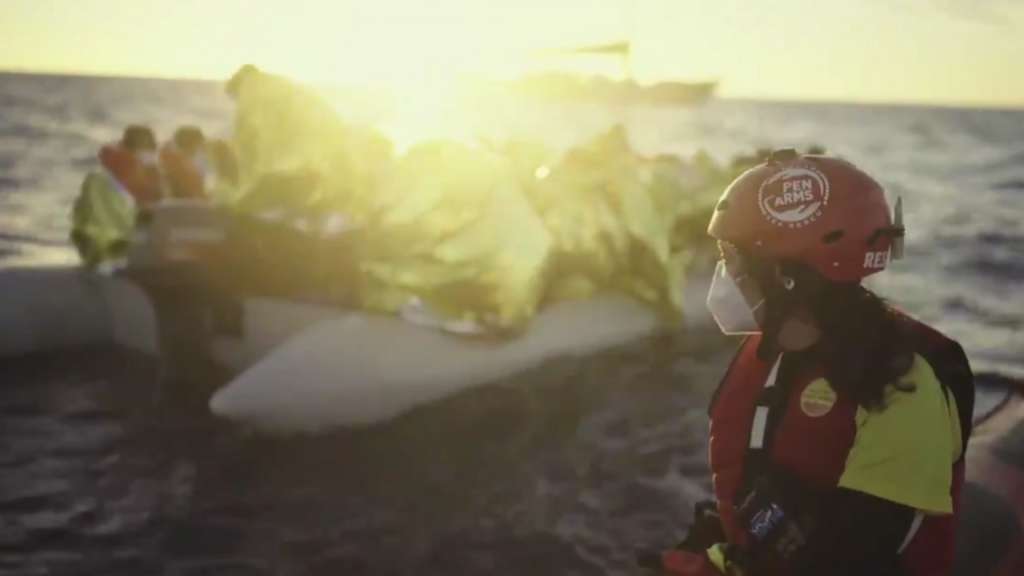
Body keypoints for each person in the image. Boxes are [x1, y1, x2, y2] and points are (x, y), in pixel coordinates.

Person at [650, 149, 974, 575]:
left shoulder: (902, 384)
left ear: (787, 276)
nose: (724, 274)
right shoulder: (771, 352)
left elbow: (855, 556)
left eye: (732, 258)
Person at [70, 125, 161, 267]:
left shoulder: (150, 175)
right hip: (109, 244)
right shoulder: (106, 178)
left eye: (150, 149)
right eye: (145, 149)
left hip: (136, 247)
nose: (148, 154)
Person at [160, 125, 208, 199]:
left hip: (185, 196)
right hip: (181, 198)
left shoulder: (198, 157)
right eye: (198, 144)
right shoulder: (173, 159)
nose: (199, 147)